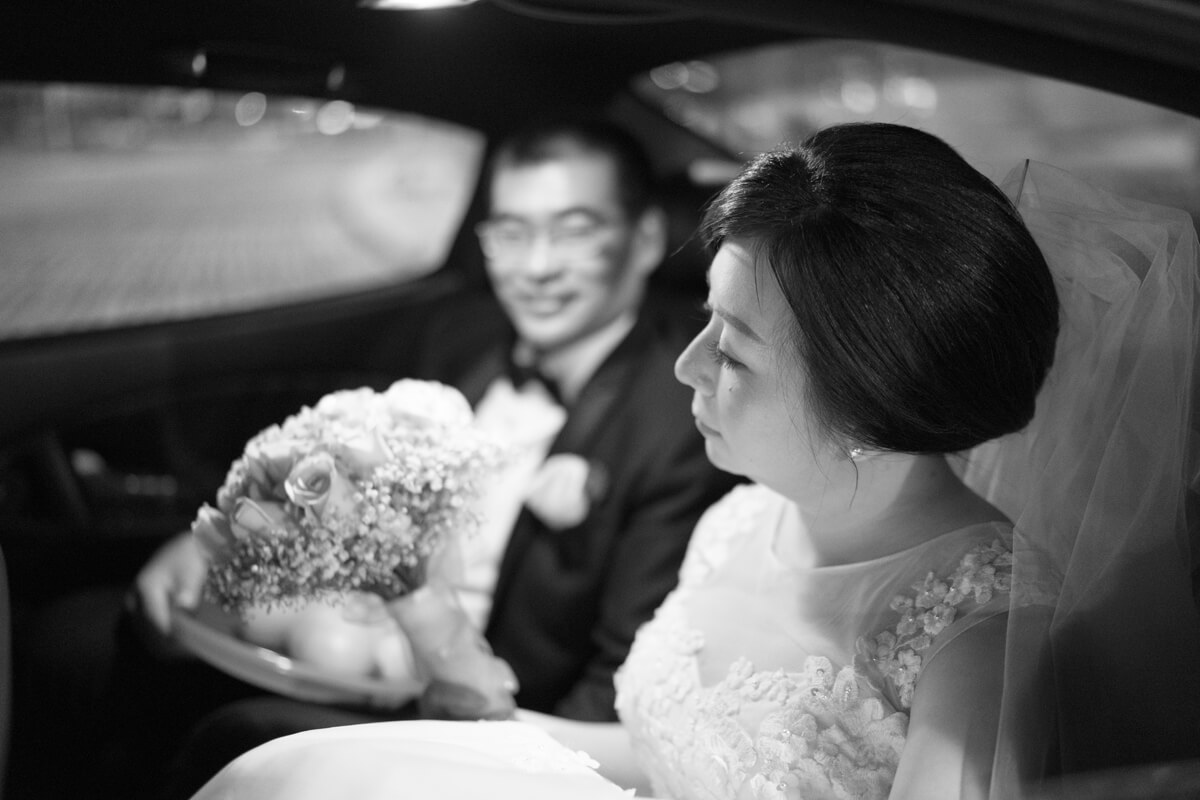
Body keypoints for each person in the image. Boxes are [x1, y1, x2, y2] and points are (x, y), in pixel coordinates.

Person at [187, 121, 1200, 800]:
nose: (685, 362)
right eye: (705, 318)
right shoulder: (740, 520)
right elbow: (673, 756)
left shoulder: (977, 633)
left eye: (734, 347)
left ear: (867, 397)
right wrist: (476, 707)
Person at [7, 115, 739, 800]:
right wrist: (213, 543)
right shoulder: (457, 341)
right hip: (340, 645)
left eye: (574, 231)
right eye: (511, 233)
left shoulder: (681, 426)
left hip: (472, 718)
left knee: (234, 743)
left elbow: (619, 689)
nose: (536, 266)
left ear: (644, 241)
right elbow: (329, 485)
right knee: (75, 644)